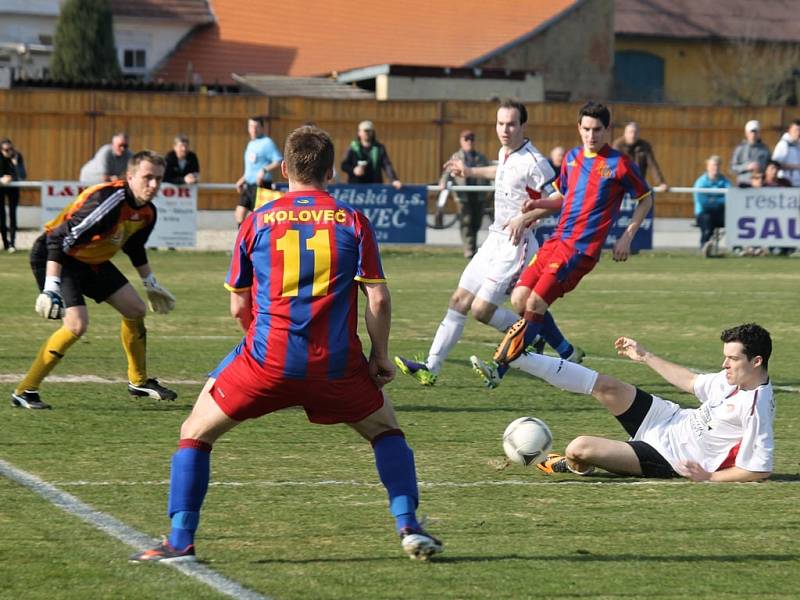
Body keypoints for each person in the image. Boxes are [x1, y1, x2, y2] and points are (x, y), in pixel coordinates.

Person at [130, 126, 442, 563]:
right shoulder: (353, 221)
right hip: (337, 364)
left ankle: (181, 539)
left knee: (194, 434)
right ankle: (409, 526)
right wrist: (380, 357)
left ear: (283, 168)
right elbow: (379, 297)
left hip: (267, 360)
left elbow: (239, 306)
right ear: (331, 171)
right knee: (385, 431)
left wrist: (256, 352)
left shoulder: (258, 220)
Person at [395, 99, 578, 387]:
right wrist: (468, 172)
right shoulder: (505, 152)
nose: (505, 129)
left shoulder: (536, 162)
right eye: (501, 123)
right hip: (494, 238)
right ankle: (430, 367)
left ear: (523, 126)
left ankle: (533, 332)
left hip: (517, 244)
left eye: (511, 124)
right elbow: (501, 171)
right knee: (459, 300)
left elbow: (560, 200)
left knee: (481, 311)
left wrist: (524, 218)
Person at [471, 102, 653, 389]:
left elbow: (646, 198)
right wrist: (534, 208)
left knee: (534, 303)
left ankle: (499, 367)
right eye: (585, 129)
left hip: (580, 251)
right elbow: (561, 199)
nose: (590, 135)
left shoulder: (619, 165)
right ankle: (567, 351)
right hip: (556, 240)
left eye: (596, 130)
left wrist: (627, 235)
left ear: (608, 130)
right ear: (579, 129)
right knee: (520, 299)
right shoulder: (571, 158)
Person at [11, 151, 177, 410]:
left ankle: (139, 381)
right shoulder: (107, 200)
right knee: (77, 325)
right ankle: (25, 391)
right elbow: (57, 239)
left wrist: (150, 283)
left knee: (135, 310)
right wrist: (51, 286)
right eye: (147, 177)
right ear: (130, 176)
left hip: (90, 260)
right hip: (56, 257)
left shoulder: (147, 212)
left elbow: (134, 248)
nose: (154, 185)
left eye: (158, 178)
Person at [513, 323, 774, 483]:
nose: (724, 365)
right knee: (605, 386)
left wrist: (710, 477)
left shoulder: (756, 408)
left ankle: (567, 465)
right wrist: (645, 356)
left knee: (578, 448)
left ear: (757, 361)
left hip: (668, 456)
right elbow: (691, 381)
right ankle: (519, 359)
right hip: (668, 419)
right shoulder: (734, 378)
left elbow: (757, 470)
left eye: (732, 359)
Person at [438, 129, 491, 258]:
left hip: (479, 195)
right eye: (466, 139)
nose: (469, 142)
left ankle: (472, 247)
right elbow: (447, 173)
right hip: (463, 195)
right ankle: (469, 249)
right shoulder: (456, 157)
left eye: (471, 139)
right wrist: (443, 183)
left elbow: (487, 175)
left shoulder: (481, 157)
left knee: (477, 222)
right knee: (466, 221)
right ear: (461, 141)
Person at [234, 116, 283, 226]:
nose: (253, 129)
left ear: (262, 128)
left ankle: (256, 241)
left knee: (259, 220)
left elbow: (278, 160)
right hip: (249, 185)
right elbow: (252, 168)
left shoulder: (267, 142)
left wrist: (264, 170)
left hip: (262, 186)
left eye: (256, 127)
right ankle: (244, 241)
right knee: (239, 214)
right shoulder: (251, 143)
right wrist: (242, 180)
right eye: (251, 126)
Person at [340, 120, 402, 189]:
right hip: (355, 187)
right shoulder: (352, 148)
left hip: (375, 187)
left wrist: (394, 179)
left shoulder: (379, 148)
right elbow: (344, 165)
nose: (367, 133)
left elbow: (387, 165)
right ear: (359, 133)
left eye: (369, 131)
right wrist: (354, 170)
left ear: (373, 132)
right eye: (365, 131)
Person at [612, 121, 668, 192]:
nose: (633, 135)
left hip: (639, 182)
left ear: (639, 134)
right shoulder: (618, 145)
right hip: (621, 183)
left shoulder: (644, 146)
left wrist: (661, 182)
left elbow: (653, 165)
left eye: (635, 132)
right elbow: (612, 165)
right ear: (625, 133)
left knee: (649, 195)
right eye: (630, 132)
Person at [692, 155, 730, 255]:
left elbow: (731, 198)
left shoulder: (725, 181)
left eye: (717, 165)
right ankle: (704, 247)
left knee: (736, 221)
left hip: (720, 214)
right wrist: (721, 200)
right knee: (707, 224)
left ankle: (739, 248)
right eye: (713, 165)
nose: (715, 168)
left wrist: (713, 200)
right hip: (703, 214)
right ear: (707, 167)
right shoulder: (700, 182)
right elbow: (704, 203)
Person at [0, 138, 26, 253]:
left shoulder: (17, 156)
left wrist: (15, 164)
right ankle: (5, 243)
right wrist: (1, 179)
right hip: (1, 188)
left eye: (10, 149)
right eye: (6, 150)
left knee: (12, 215)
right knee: (1, 216)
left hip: (13, 188)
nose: (8, 151)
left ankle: (12, 243)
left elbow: (22, 175)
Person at [729, 120, 770, 186]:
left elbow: (769, 167)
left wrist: (760, 168)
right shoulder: (740, 149)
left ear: (759, 133)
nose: (753, 135)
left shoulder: (765, 149)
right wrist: (746, 167)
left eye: (755, 132)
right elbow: (732, 168)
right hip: (743, 185)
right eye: (751, 132)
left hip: (759, 185)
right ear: (746, 133)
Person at [771, 119, 800, 186]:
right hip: (786, 182)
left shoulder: (798, 145)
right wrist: (796, 167)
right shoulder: (783, 144)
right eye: (796, 130)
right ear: (790, 130)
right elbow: (775, 165)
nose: (798, 133)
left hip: (798, 183)